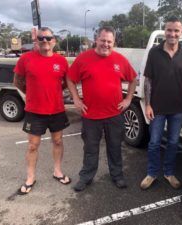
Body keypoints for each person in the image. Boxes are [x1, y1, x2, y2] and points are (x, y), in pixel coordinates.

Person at [67, 26, 137, 192]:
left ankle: (117, 175)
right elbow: (70, 79)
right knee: (90, 149)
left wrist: (128, 99)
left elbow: (133, 79)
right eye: (103, 40)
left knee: (115, 147)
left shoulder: (120, 60)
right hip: (91, 115)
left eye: (109, 41)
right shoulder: (83, 59)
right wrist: (76, 99)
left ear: (114, 42)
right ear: (96, 40)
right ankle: (86, 177)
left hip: (114, 114)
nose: (106, 44)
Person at [140, 16, 182, 190]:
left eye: (176, 30)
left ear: (181, 32)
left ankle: (169, 173)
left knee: (173, 143)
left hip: (178, 108)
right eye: (169, 30)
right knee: (154, 142)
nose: (172, 34)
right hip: (157, 108)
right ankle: (151, 173)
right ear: (165, 31)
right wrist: (148, 104)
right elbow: (148, 80)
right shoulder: (154, 52)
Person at [14, 27, 71, 195]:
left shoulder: (61, 61)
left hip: (56, 110)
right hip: (34, 111)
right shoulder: (26, 59)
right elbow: (17, 81)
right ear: (37, 40)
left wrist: (55, 92)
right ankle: (30, 177)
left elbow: (66, 83)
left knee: (58, 141)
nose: (45, 41)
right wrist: (29, 93)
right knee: (33, 146)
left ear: (54, 40)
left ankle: (57, 171)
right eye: (41, 38)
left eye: (48, 38)